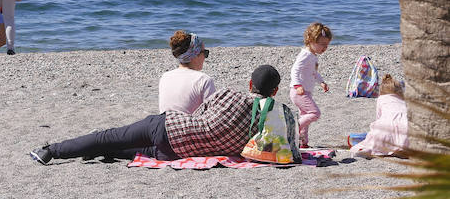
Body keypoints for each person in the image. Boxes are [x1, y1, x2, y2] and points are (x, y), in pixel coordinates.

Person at [30, 64, 281, 165]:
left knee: (111, 137)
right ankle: (93, 150)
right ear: (276, 91)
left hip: (169, 127)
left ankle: (51, 151)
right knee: (133, 150)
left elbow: (201, 113)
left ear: (250, 85)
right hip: (178, 153)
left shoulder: (230, 95)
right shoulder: (271, 121)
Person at [290, 22, 332, 148]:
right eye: (322, 44)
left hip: (305, 91)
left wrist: (322, 82)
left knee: (306, 117)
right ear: (310, 40)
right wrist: (297, 85)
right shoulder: (305, 54)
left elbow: (314, 73)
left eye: (327, 45)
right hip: (298, 92)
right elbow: (295, 69)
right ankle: (293, 128)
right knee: (315, 113)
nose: (325, 48)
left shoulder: (312, 55)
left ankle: (303, 143)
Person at [350, 74, 408, 158]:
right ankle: (402, 149)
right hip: (407, 126)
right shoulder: (403, 101)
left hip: (385, 127)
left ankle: (368, 150)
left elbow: (378, 118)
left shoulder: (381, 99)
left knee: (372, 141)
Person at [158, 31, 216, 114]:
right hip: (189, 126)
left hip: (165, 124)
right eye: (205, 53)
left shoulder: (165, 76)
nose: (205, 57)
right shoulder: (204, 80)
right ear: (195, 55)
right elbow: (212, 115)